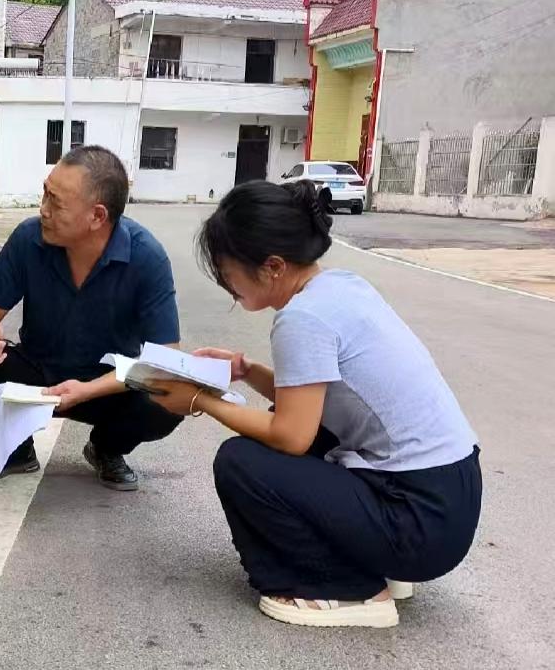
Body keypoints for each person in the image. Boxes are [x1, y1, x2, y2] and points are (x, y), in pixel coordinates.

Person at [148, 180, 481, 628]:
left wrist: (201, 401)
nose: (228, 286)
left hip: (417, 519)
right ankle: (375, 562)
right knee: (290, 430)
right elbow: (315, 397)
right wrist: (245, 370)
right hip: (449, 498)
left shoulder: (302, 318)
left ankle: (347, 588)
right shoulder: (341, 286)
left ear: (273, 266)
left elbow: (291, 435)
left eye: (228, 273)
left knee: (242, 461)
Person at [0, 145, 184, 490]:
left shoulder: (146, 258)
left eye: (56, 202)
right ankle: (16, 449)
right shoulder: (29, 238)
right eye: (45, 193)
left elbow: (165, 360)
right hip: (37, 376)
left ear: (97, 216)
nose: (43, 209)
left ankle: (106, 448)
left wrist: (87, 390)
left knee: (173, 397)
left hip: (105, 388)